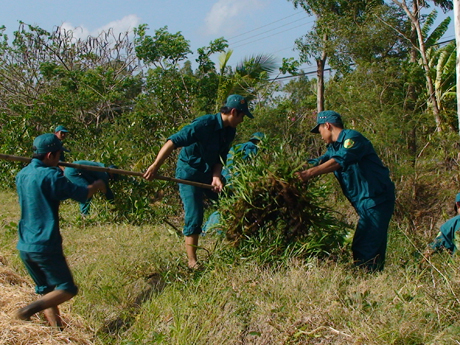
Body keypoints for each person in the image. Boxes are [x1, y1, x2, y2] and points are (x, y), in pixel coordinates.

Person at [143, 94, 253, 269]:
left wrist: (216, 176)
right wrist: (155, 166)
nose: (242, 120)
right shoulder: (204, 124)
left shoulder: (230, 130)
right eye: (242, 116)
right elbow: (173, 141)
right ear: (233, 112)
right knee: (195, 215)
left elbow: (221, 157)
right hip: (189, 173)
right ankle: (192, 262)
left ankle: (241, 245)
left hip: (209, 172)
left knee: (233, 202)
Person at [15, 133, 106, 328]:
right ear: (50, 155)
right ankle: (28, 310)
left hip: (25, 245)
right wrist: (97, 185)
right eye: (59, 156)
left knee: (48, 291)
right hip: (45, 244)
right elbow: (81, 194)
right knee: (67, 289)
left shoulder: (21, 175)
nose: (60, 160)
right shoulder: (51, 175)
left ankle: (58, 330)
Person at [296, 110, 395, 272]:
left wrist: (308, 174)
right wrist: (295, 168)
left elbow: (341, 160)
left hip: (377, 199)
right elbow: (319, 161)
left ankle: (368, 277)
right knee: (366, 242)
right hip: (365, 203)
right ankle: (370, 274)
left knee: (366, 244)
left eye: (320, 129)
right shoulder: (334, 148)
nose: (320, 134)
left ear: (327, 125)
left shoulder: (352, 139)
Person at [204, 132, 265, 233]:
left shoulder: (237, 147)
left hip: (224, 180)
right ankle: (219, 230)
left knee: (225, 207)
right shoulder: (253, 149)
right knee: (234, 208)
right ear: (260, 142)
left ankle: (209, 229)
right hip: (237, 184)